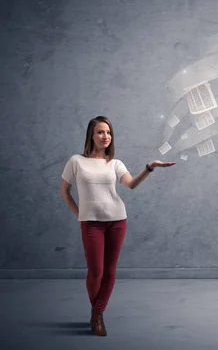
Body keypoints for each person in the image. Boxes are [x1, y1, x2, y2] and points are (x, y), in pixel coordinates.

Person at [60, 116, 176, 336]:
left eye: (109, 133)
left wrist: (150, 167)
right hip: (91, 224)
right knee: (96, 272)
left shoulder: (115, 163)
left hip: (117, 221)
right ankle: (98, 312)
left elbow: (131, 185)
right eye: (101, 132)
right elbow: (64, 192)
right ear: (91, 136)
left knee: (110, 272)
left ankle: (97, 314)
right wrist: (80, 214)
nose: (106, 137)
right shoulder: (76, 161)